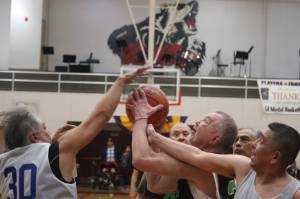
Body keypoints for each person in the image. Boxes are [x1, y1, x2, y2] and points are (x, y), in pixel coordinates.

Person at [0, 67, 148, 198]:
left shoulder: (3, 162)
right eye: (44, 128)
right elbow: (100, 117)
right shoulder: (54, 153)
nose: (49, 131)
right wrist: (120, 82)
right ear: (34, 137)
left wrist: (52, 144)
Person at [129, 88, 238, 199]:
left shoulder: (201, 168)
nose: (197, 122)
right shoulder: (206, 164)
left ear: (214, 139)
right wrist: (154, 144)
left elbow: (141, 159)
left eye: (206, 121)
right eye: (176, 134)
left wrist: (140, 118)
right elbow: (155, 186)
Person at [146, 122, 300, 199]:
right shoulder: (243, 167)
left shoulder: (294, 193)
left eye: (261, 141)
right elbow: (196, 155)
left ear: (275, 157)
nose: (253, 144)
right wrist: (155, 138)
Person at [136, 123, 191, 199]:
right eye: (176, 134)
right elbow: (142, 196)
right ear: (169, 140)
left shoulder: (199, 165)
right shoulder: (156, 164)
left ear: (192, 137)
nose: (181, 137)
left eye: (185, 134)